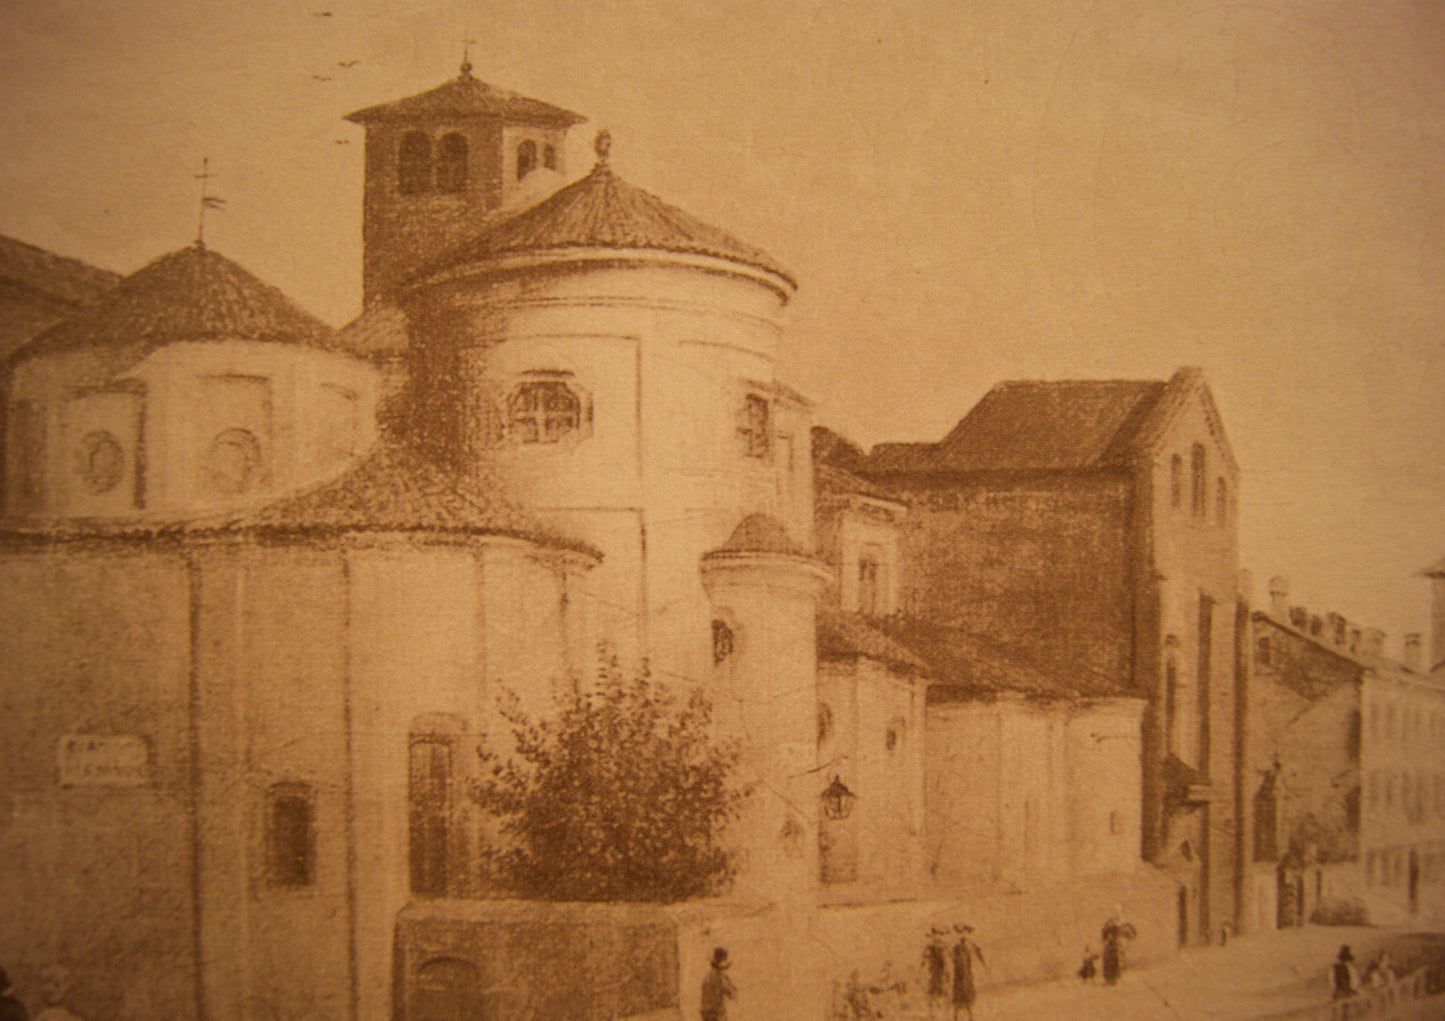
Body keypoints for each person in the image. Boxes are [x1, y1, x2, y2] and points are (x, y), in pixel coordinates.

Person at [950, 924, 984, 1021]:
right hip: (958, 975)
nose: (962, 935)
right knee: (958, 998)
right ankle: (956, 1017)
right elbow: (952, 959)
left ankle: (970, 1016)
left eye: (964, 933)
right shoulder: (955, 947)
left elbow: (979, 958)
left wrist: (982, 969)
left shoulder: (972, 946)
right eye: (959, 933)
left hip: (968, 975)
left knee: (968, 996)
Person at [701, 947, 736, 1021]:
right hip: (718, 1016)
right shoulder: (721, 978)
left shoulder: (706, 977)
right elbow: (733, 994)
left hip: (706, 1016)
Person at [1100, 916, 1137, 986]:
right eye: (1110, 923)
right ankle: (1109, 980)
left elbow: (1125, 931)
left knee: (1113, 963)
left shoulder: (1116, 930)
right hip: (1109, 950)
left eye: (1112, 922)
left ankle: (1113, 980)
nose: (1111, 923)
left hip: (1113, 949)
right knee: (1108, 963)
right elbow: (1104, 939)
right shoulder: (1108, 930)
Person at [922, 927, 949, 1020]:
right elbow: (924, 960)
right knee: (932, 995)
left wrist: (947, 973)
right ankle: (932, 1015)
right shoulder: (930, 947)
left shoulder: (944, 947)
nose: (938, 937)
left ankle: (943, 1015)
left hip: (941, 973)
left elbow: (947, 961)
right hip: (932, 973)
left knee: (942, 995)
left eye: (940, 934)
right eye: (936, 934)